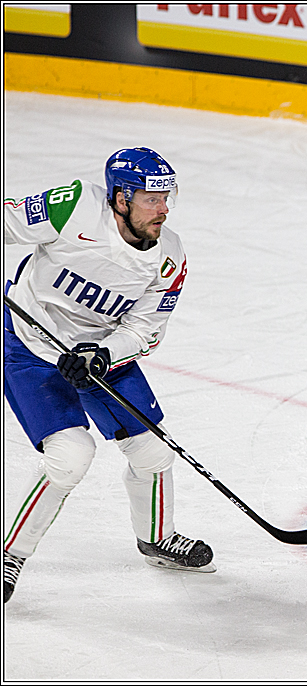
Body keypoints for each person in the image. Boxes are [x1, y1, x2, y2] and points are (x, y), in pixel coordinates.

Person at [3, 147, 213, 604]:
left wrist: (101, 353)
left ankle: (157, 539)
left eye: (166, 197)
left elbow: (145, 330)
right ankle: (10, 556)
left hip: (100, 356)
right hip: (29, 345)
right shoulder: (72, 205)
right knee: (70, 457)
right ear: (120, 198)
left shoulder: (169, 256)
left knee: (154, 451)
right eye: (151, 198)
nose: (163, 209)